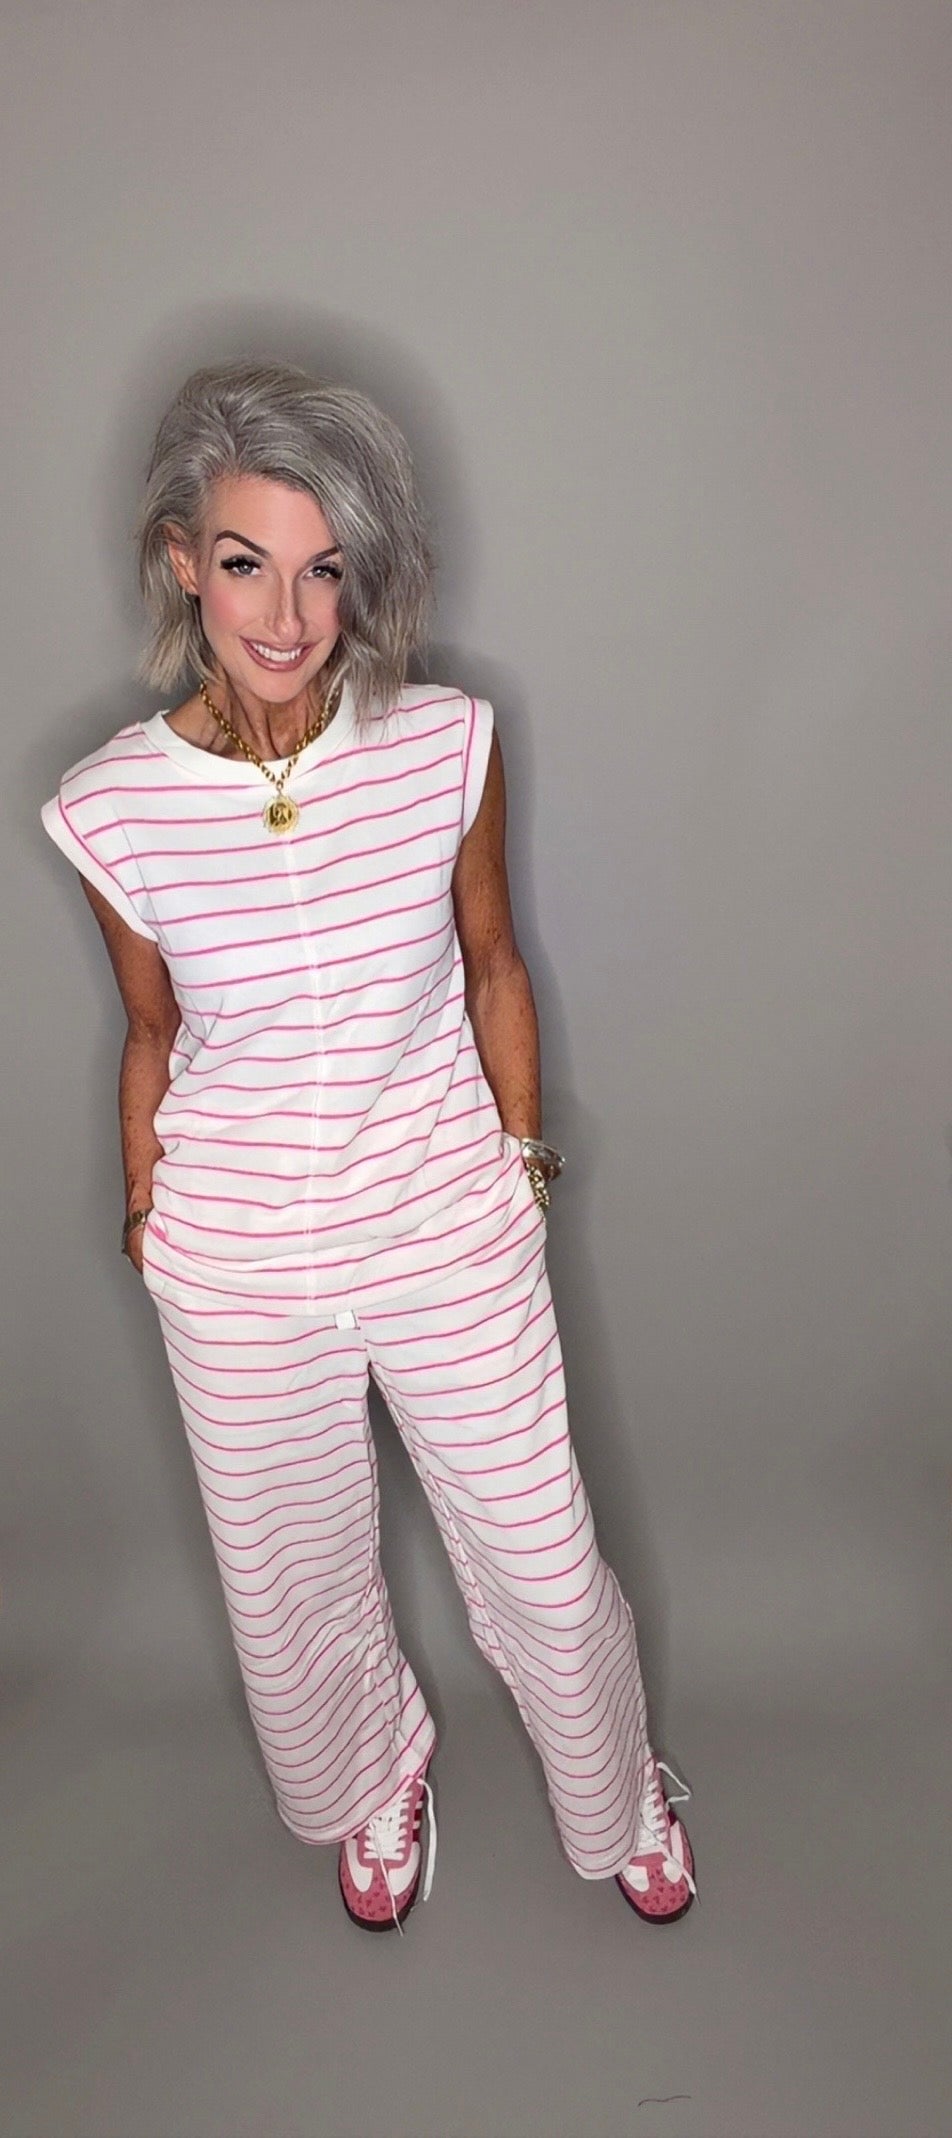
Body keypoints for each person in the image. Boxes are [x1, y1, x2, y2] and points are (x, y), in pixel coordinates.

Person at [42, 360, 695, 1932]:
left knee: (543, 1560)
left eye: (324, 568)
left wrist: (520, 1167)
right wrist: (149, 1216)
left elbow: (494, 964)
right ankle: (371, 1775)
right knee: (292, 1587)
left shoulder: (445, 742)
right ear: (182, 559)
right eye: (247, 561)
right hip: (239, 1262)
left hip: (442, 1222)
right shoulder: (112, 807)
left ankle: (620, 1789)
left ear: (363, 572)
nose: (287, 614)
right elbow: (151, 1030)